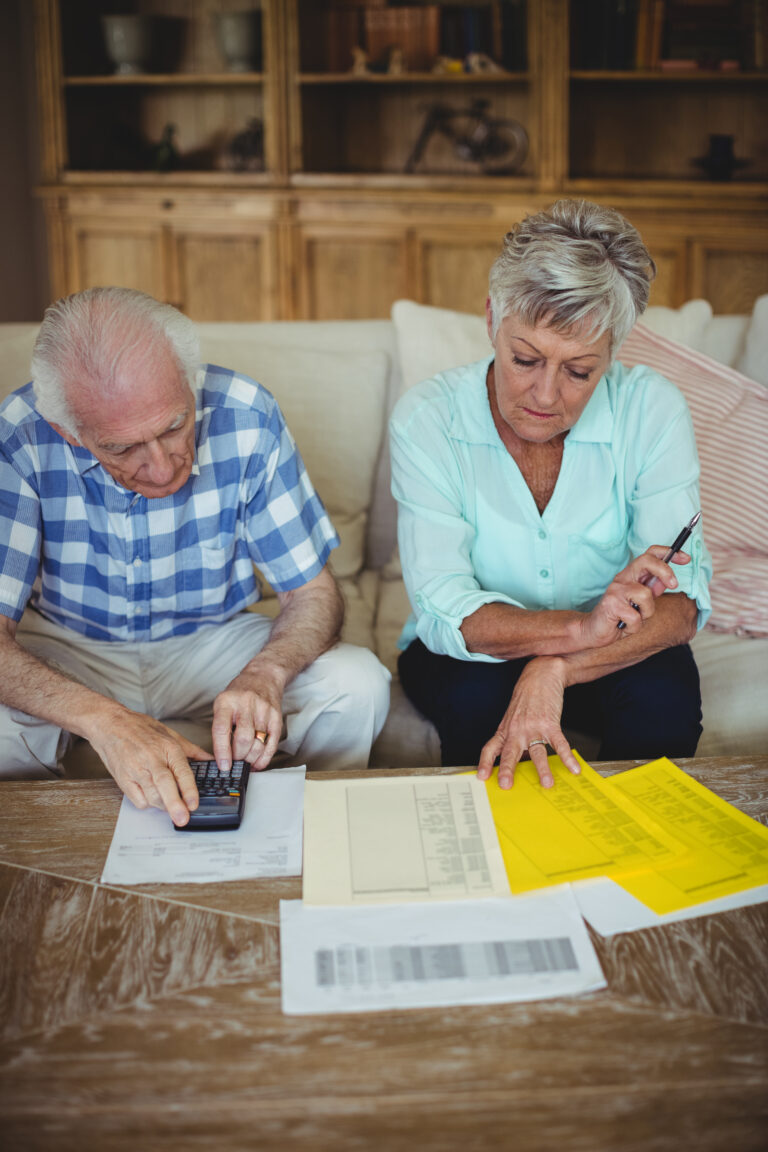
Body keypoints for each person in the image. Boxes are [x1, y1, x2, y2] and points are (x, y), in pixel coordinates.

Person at [0, 287, 390, 824]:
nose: (162, 469)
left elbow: (312, 591)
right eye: (121, 448)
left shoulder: (247, 414)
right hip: (69, 647)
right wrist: (105, 721)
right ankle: (55, 851)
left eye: (173, 427)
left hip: (212, 641)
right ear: (69, 431)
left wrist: (266, 674)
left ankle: (308, 834)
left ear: (188, 378)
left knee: (358, 683)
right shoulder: (19, 434)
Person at [390, 199, 712, 790]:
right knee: (475, 705)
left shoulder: (653, 409)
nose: (545, 394)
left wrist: (554, 666)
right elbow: (446, 609)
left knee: (663, 700)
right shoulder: (427, 419)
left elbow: (682, 604)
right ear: (491, 319)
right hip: (475, 653)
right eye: (524, 359)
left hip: (614, 646)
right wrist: (576, 631)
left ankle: (635, 868)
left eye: (579, 371)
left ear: (613, 351)